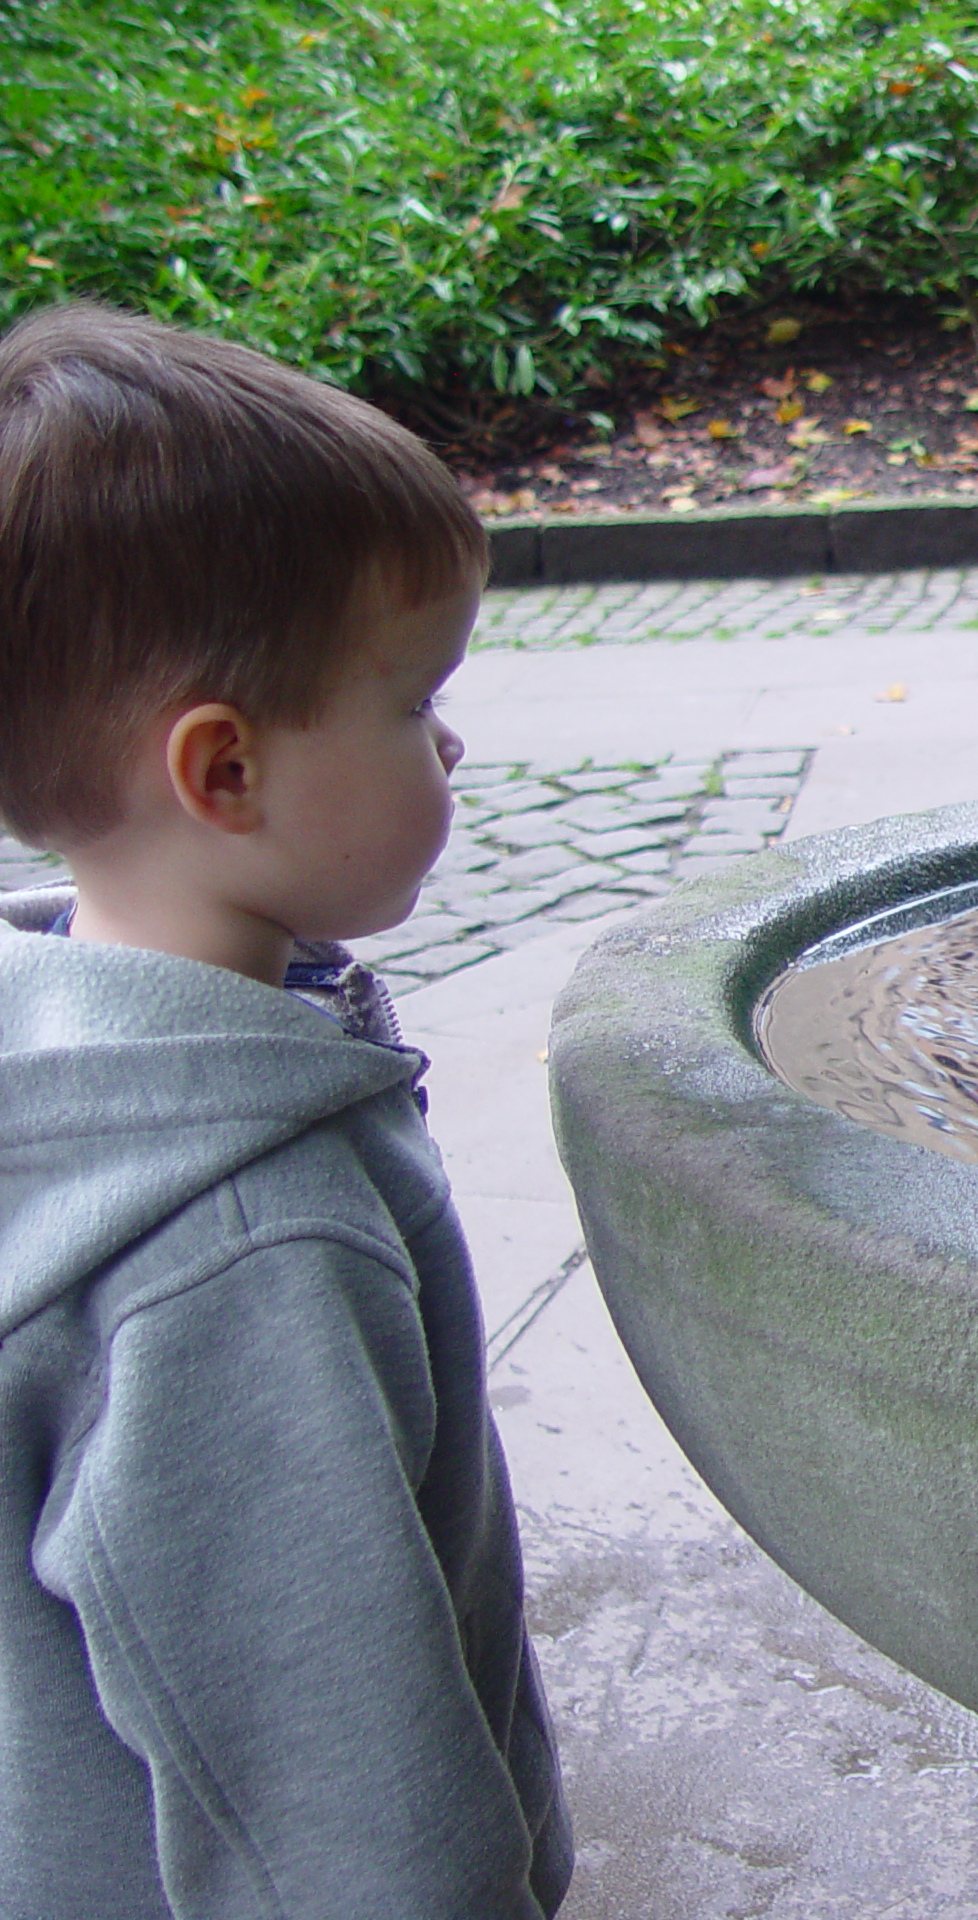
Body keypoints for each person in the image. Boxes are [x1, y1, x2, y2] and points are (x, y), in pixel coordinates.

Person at [0, 302, 571, 1917]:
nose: (451, 739)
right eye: (409, 700)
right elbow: (336, 1781)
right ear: (224, 773)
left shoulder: (80, 1049)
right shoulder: (241, 1236)